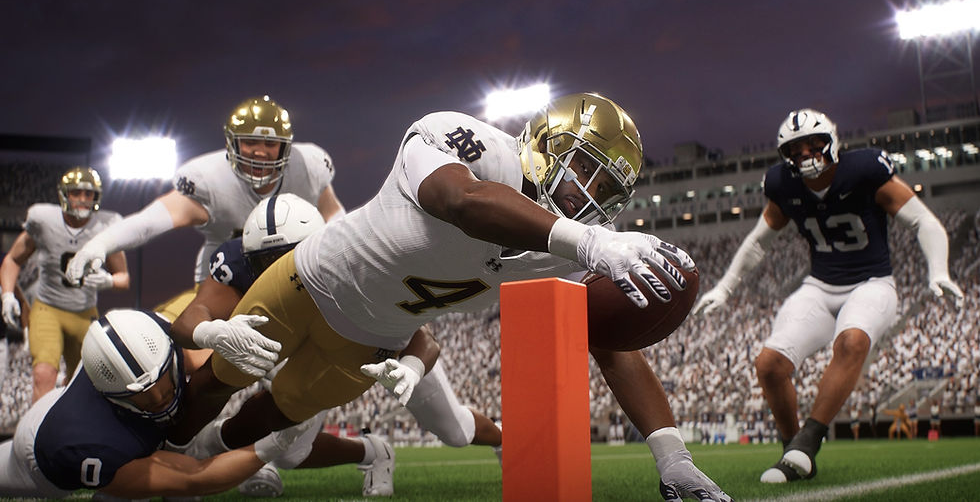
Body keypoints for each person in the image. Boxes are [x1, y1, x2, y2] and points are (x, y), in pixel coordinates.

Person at [171, 92, 731, 501]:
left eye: (606, 189)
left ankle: (201, 454)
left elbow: (610, 343)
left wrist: (671, 456)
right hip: (313, 278)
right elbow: (458, 198)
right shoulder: (472, 144)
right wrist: (586, 242)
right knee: (218, 375)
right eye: (585, 167)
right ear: (544, 139)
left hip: (373, 338)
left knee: (264, 416)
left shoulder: (565, 245)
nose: (589, 192)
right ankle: (161, 446)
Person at [694, 108, 964, 483]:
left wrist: (939, 270)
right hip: (820, 286)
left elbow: (922, 220)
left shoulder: (865, 169)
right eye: (795, 148)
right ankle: (794, 451)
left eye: (813, 144)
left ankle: (808, 443)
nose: (806, 154)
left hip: (872, 283)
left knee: (852, 341)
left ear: (832, 141)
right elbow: (758, 241)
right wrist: (725, 286)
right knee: (769, 364)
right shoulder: (783, 185)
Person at [173, 193, 501, 497]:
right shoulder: (236, 264)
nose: (281, 270)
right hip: (324, 351)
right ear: (248, 256)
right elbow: (189, 319)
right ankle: (373, 451)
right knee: (291, 453)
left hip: (392, 351)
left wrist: (411, 371)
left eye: (290, 258)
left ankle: (504, 438)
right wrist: (210, 331)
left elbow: (424, 340)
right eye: (267, 262)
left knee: (455, 432)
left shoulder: (355, 264)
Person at [64, 95, 344, 321]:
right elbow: (149, 221)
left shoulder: (308, 167)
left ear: (285, 148)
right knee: (196, 354)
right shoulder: (210, 180)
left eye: (271, 143)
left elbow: (334, 216)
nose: (261, 152)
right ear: (232, 144)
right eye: (250, 142)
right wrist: (100, 244)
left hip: (290, 278)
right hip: (225, 280)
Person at [0, 309, 317, 499]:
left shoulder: (153, 335)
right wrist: (273, 445)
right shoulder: (83, 442)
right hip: (36, 455)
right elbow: (196, 477)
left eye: (161, 381)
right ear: (109, 396)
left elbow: (202, 358)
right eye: (140, 395)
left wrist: (262, 359)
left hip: (66, 408)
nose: (158, 399)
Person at [0, 167, 130, 402]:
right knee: (43, 373)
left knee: (82, 381)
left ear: (96, 197)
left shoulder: (106, 225)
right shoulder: (43, 220)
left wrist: (109, 280)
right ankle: (39, 433)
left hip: (84, 311)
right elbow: (12, 259)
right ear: (64, 195)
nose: (82, 199)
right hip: (47, 308)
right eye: (76, 192)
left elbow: (124, 277)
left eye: (88, 194)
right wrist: (8, 295)